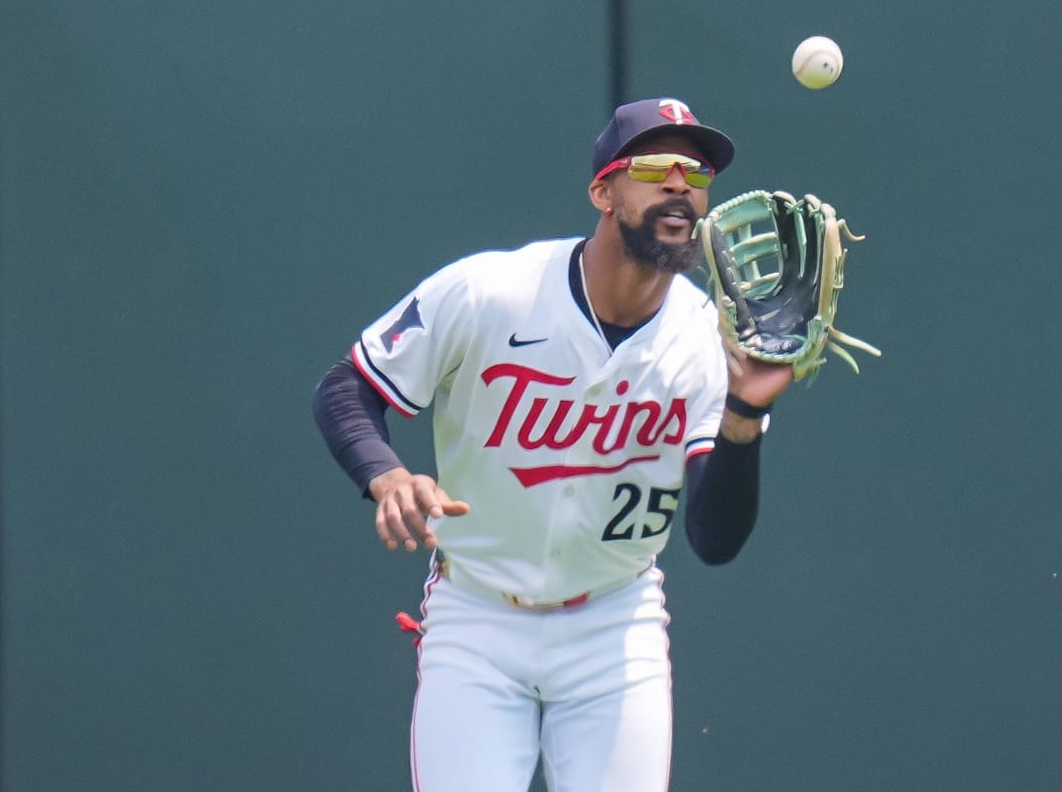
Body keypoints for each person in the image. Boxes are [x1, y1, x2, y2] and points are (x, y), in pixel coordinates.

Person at [313, 97, 796, 792]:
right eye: (657, 166)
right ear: (603, 191)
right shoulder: (493, 291)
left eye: (697, 174)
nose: (681, 185)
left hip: (614, 628)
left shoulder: (705, 335)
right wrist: (386, 477)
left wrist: (745, 414)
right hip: (478, 619)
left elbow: (714, 539)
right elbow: (346, 388)